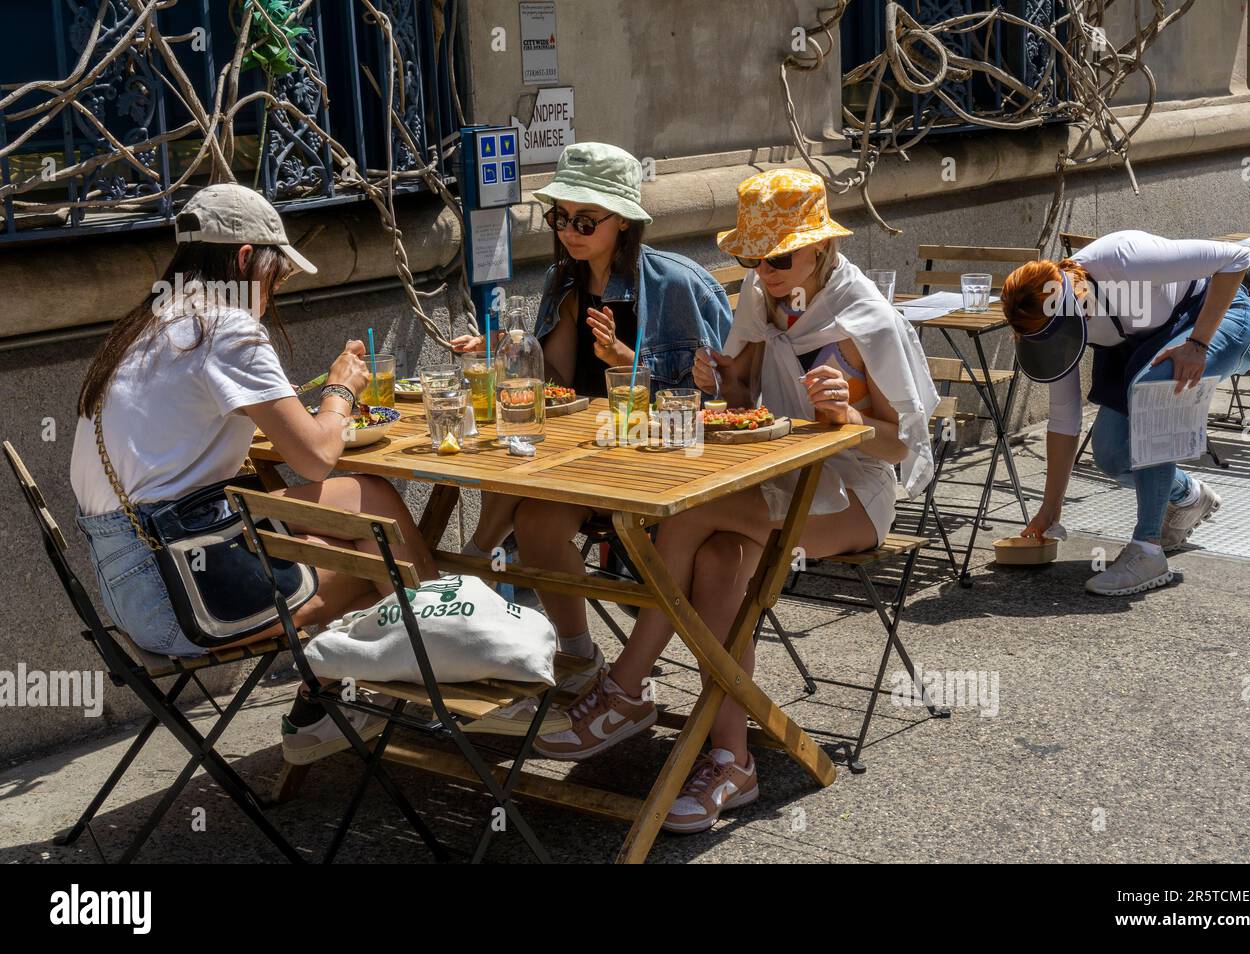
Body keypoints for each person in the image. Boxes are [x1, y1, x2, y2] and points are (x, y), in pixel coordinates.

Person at [529, 168, 940, 834]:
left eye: (778, 258)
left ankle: (627, 686)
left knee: (689, 512)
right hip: (773, 473)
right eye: (752, 258)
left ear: (820, 249)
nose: (764, 271)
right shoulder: (760, 294)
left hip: (851, 491)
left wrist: (850, 418)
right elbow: (743, 397)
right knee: (718, 564)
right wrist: (717, 378)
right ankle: (731, 758)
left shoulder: (867, 316)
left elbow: (902, 447)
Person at [70, 183, 439, 765]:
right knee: (373, 551)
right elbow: (316, 455)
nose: (275, 292)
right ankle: (445, 670)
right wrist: (341, 389)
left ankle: (335, 704)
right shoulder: (223, 328)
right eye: (278, 276)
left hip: (131, 583)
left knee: (364, 505)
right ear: (246, 260)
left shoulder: (148, 324)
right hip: (178, 599)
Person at [451, 143, 732, 665]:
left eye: (585, 221)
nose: (568, 232)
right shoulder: (564, 281)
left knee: (523, 460)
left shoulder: (677, 284)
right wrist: (510, 351)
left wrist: (624, 361)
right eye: (559, 217)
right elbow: (555, 385)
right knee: (533, 516)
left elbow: (721, 403)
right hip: (580, 455)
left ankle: (469, 563)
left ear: (623, 220)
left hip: (651, 463)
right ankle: (579, 657)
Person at [1000, 230, 1250, 595]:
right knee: (1112, 453)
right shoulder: (1056, 324)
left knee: (1153, 389)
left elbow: (1236, 258)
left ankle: (1147, 551)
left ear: (1073, 303)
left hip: (1217, 318)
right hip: (1140, 347)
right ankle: (1188, 497)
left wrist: (1198, 343)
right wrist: (1050, 509)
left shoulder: (1126, 259)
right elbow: (1064, 419)